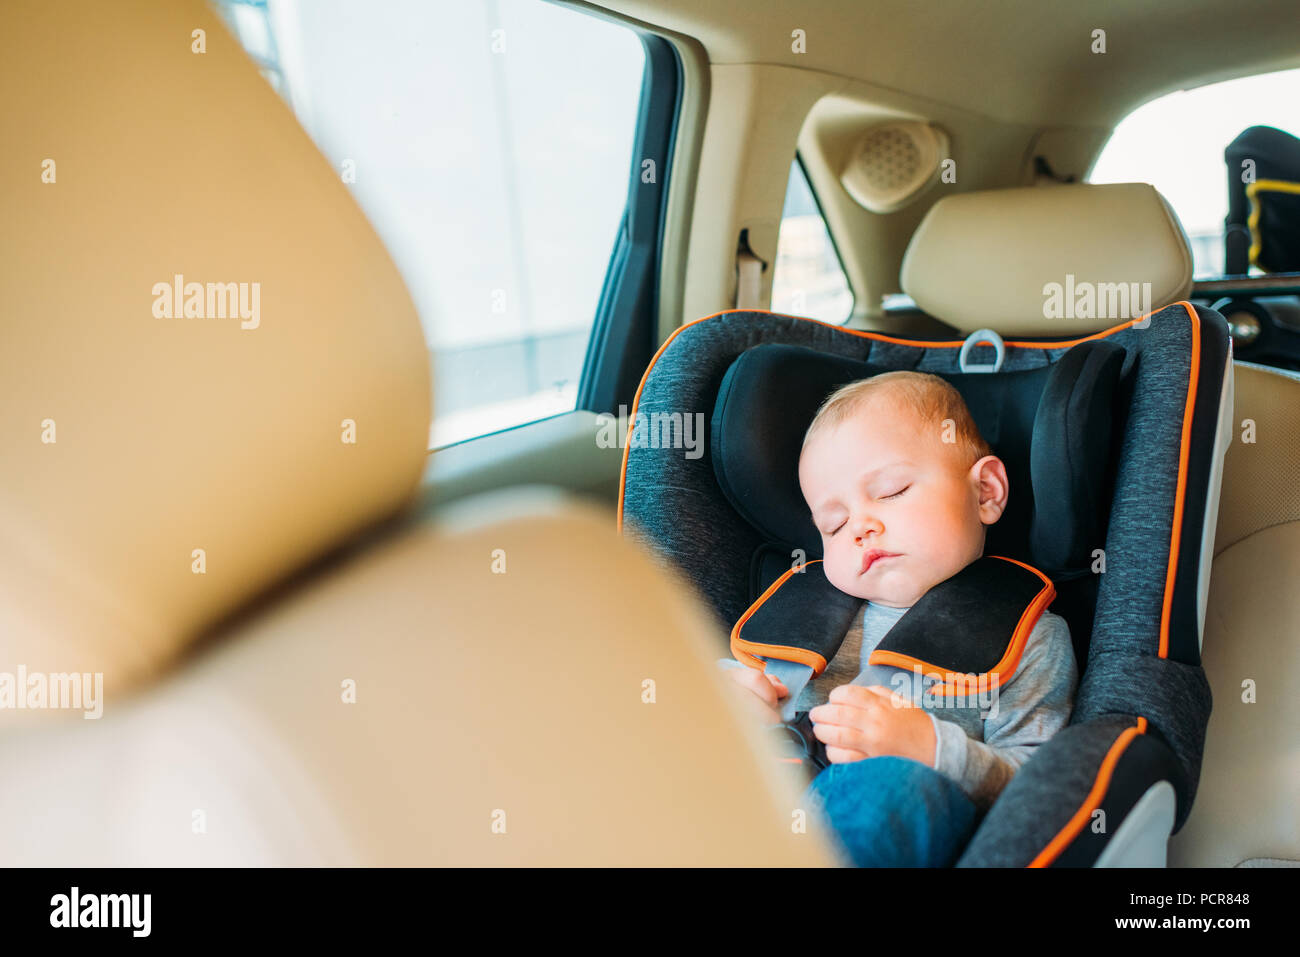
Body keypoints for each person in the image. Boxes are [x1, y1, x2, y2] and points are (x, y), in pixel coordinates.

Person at [720, 370, 1078, 867]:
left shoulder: (1025, 638)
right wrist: (726, 709)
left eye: (890, 491)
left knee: (886, 790)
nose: (861, 527)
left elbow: (1043, 790)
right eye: (835, 523)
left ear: (986, 492)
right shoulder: (788, 618)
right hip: (757, 816)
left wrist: (930, 747)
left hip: (894, 810)